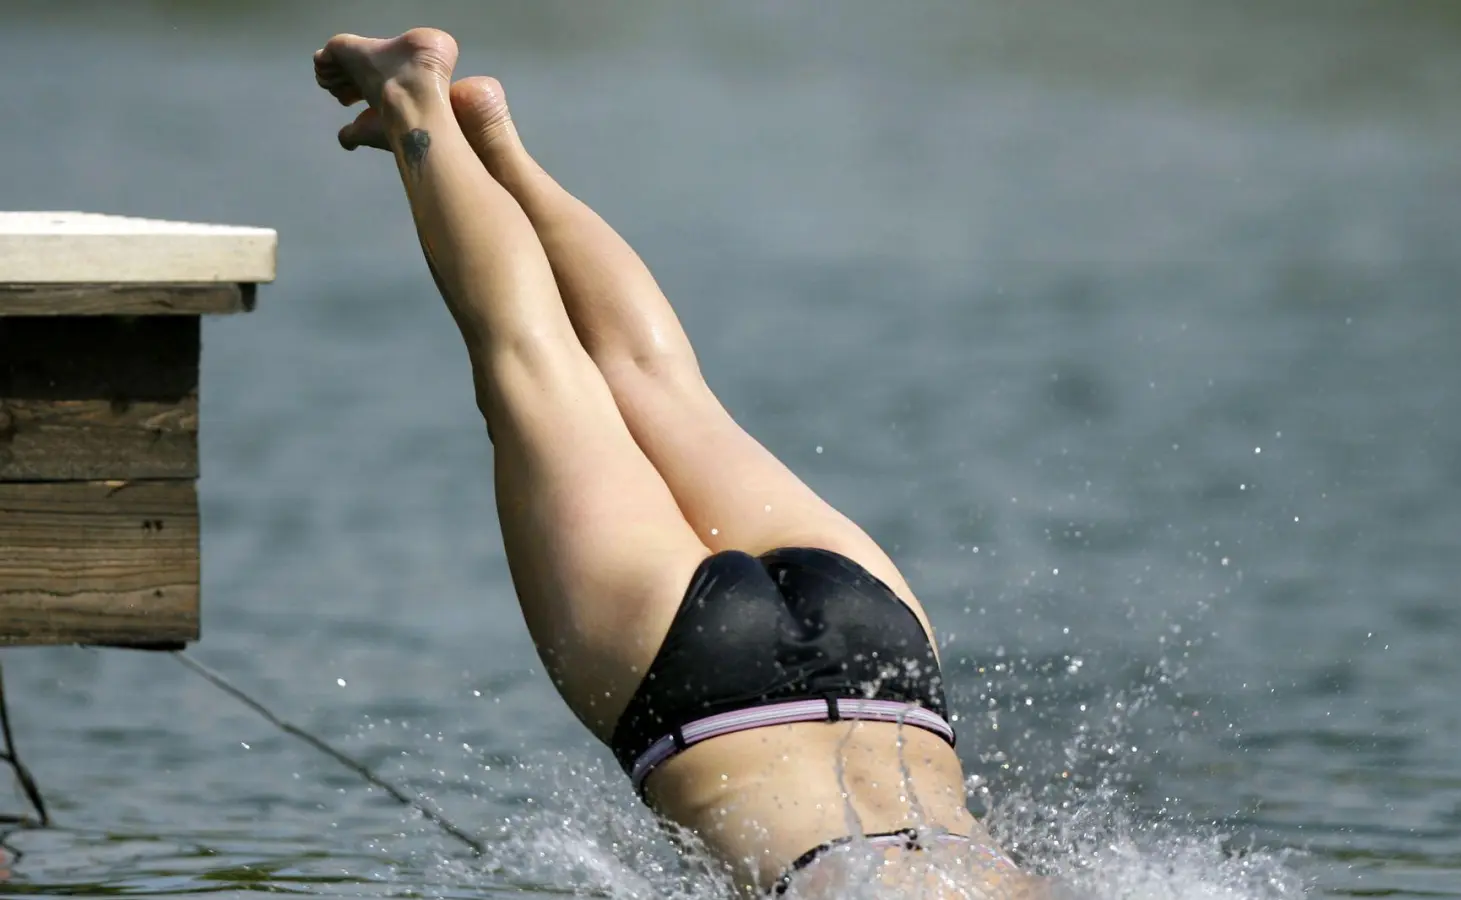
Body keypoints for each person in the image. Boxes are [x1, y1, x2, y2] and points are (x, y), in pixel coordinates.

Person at [314, 28, 1048, 898]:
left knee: (660, 381)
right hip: (707, 700)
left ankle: (497, 151)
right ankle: (413, 100)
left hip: (885, 664)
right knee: (529, 360)